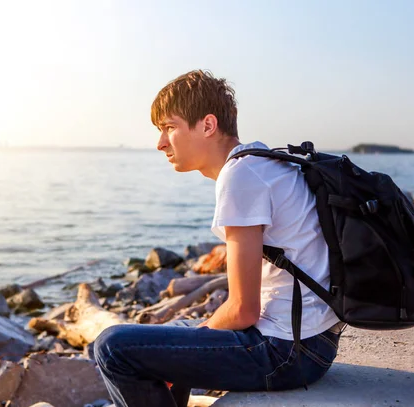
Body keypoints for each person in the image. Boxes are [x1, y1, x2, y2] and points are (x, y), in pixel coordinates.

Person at [94, 70, 344, 407]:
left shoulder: (240, 176)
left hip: (287, 352)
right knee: (176, 331)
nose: (160, 143)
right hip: (313, 340)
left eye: (169, 127)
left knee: (112, 346)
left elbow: (243, 310)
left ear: (208, 125)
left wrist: (180, 354)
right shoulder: (262, 163)